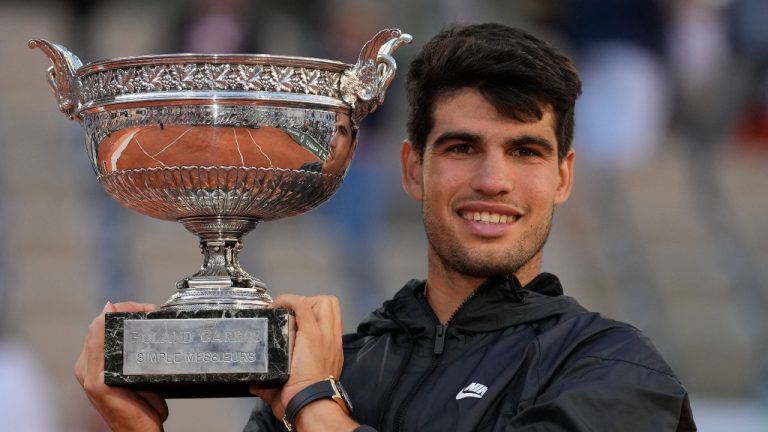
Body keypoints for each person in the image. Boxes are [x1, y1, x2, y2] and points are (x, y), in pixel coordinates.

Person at [75, 23, 697, 431]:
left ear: (563, 177)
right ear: (413, 169)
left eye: (525, 152)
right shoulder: (335, 367)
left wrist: (315, 408)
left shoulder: (615, 372)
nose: (493, 180)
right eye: (461, 148)